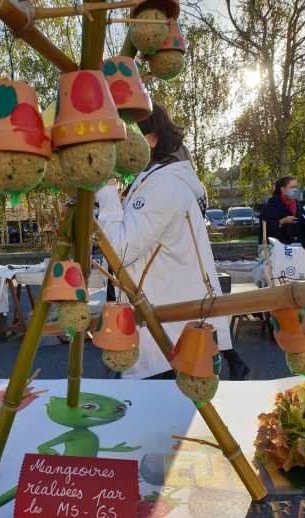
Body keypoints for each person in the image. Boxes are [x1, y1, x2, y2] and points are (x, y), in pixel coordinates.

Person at [96, 103, 249, 380]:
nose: (111, 149)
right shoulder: (155, 181)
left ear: (150, 140)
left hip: (167, 340)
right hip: (168, 331)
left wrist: (105, 192)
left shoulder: (163, 185)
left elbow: (120, 250)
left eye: (119, 138)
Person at [259, 176, 305, 248]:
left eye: (296, 187)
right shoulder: (271, 205)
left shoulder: (297, 205)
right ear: (283, 190)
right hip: (276, 248)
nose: (295, 190)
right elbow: (264, 226)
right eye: (292, 187)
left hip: (295, 246)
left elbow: (304, 224)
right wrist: (282, 221)